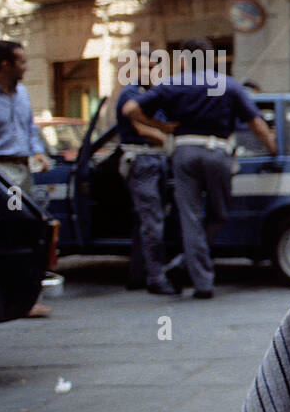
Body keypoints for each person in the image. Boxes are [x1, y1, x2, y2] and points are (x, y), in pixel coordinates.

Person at [123, 38, 276, 298]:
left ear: (183, 60)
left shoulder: (172, 84)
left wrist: (161, 127)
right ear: (212, 59)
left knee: (190, 219)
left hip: (184, 153)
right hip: (218, 153)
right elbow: (258, 126)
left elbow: (130, 109)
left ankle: (201, 282)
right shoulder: (228, 85)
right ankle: (189, 265)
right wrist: (273, 150)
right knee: (219, 214)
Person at [0, 39, 54, 317]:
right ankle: (14, 297)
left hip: (23, 168)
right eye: (22, 62)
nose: (26, 67)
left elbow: (29, 129)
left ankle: (28, 296)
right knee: (12, 230)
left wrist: (38, 151)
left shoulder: (23, 93)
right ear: (5, 64)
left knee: (29, 229)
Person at [116, 47, 175, 294]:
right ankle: (156, 278)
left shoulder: (152, 94)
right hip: (142, 160)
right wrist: (167, 134)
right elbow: (143, 130)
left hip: (154, 161)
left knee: (148, 220)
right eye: (142, 67)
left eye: (152, 67)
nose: (148, 72)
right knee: (153, 222)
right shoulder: (132, 94)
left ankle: (138, 274)